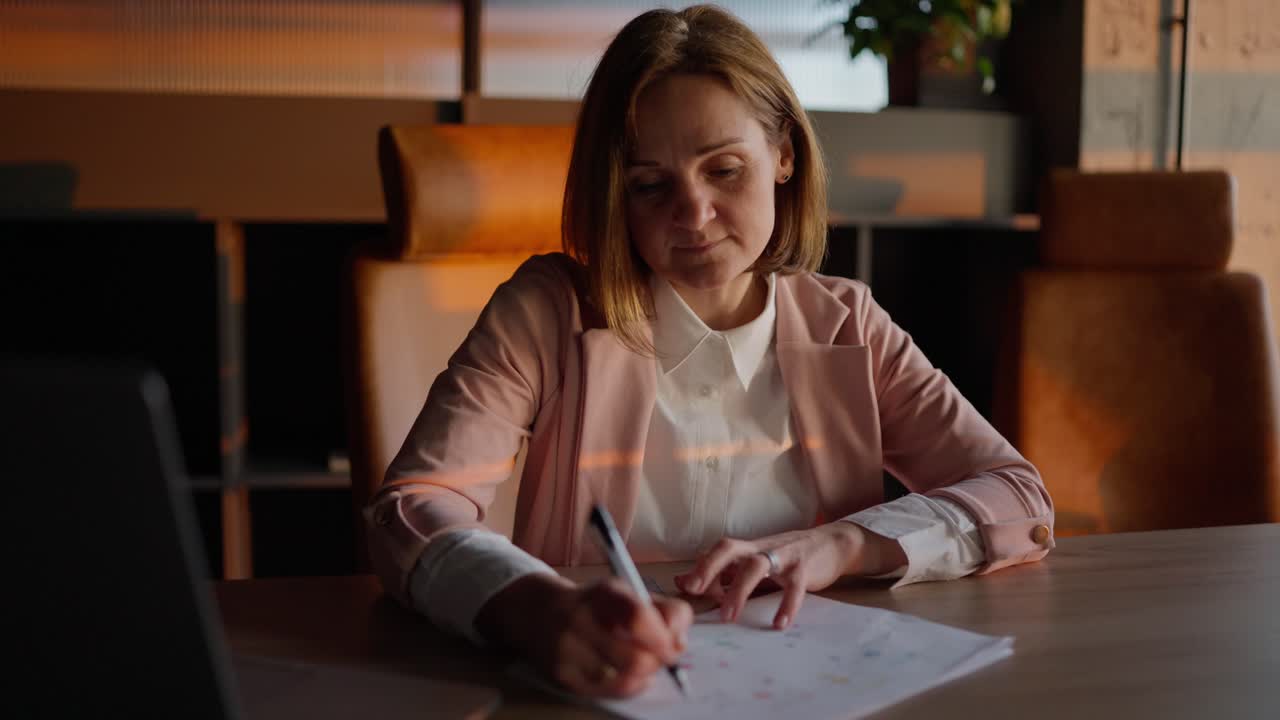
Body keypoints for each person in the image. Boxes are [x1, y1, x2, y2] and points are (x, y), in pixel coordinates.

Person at [365, 4, 1053, 700]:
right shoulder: (547, 314)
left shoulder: (848, 323)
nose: (692, 215)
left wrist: (842, 544)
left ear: (784, 154)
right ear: (616, 194)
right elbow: (412, 510)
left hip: (809, 687)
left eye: (724, 170)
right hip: (601, 692)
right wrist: (536, 610)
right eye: (649, 185)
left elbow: (1017, 498)